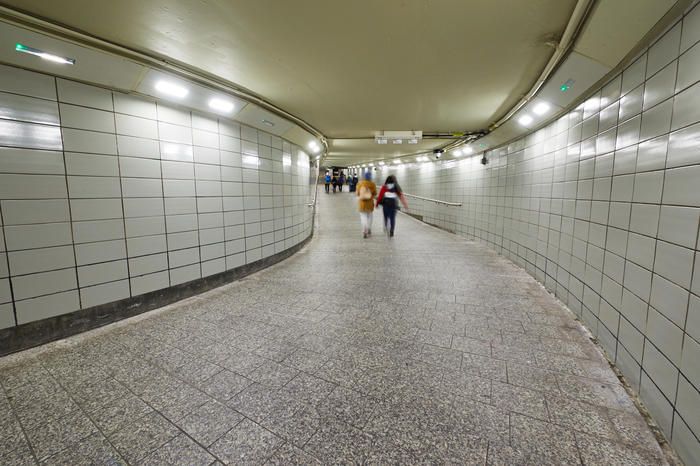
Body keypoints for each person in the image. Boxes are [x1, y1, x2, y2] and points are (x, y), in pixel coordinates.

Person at [356, 171, 377, 238]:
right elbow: (375, 193)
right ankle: (369, 228)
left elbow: (357, 193)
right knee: (370, 216)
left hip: (362, 203)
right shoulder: (372, 184)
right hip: (370, 203)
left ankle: (364, 230)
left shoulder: (360, 184)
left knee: (363, 217)